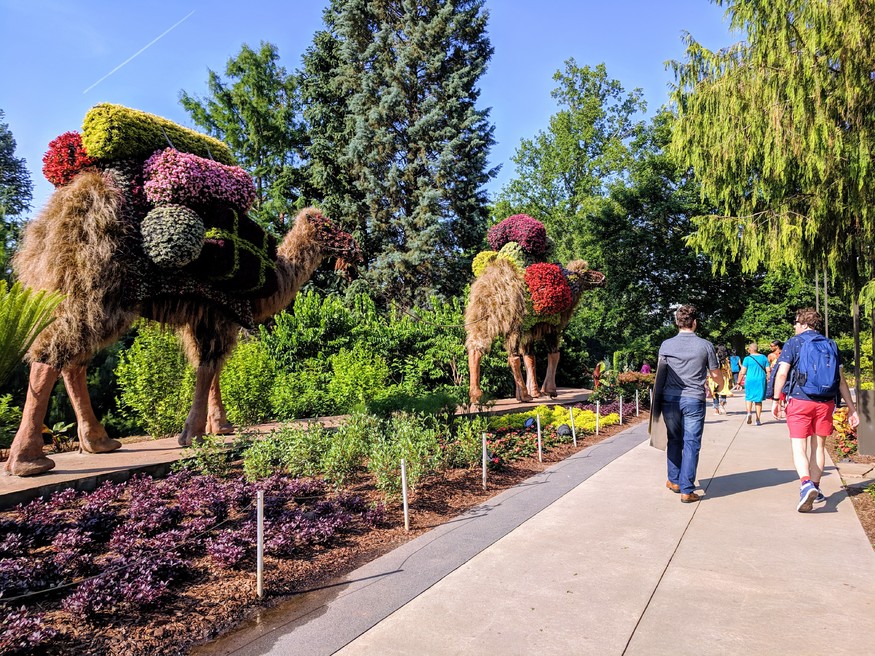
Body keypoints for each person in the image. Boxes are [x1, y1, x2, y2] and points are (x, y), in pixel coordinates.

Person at [771, 308, 859, 512]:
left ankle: (805, 484)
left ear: (803, 324)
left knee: (798, 446)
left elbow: (782, 373)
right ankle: (816, 488)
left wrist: (776, 399)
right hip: (825, 402)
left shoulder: (794, 342)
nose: (794, 326)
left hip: (800, 400)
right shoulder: (831, 344)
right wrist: (852, 409)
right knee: (818, 447)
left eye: (795, 322)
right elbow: (841, 381)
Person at [657, 305, 723, 503]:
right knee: (691, 443)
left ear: (677, 322)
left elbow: (661, 373)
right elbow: (715, 373)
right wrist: (718, 387)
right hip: (694, 398)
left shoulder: (666, 345)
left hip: (670, 398)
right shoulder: (705, 345)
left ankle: (674, 480)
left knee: (674, 439)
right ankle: (687, 489)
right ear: (694, 323)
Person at [737, 343, 770, 425]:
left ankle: (749, 413)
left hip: (750, 380)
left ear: (750, 349)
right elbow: (768, 370)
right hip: (760, 380)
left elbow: (743, 372)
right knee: (758, 400)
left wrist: (738, 382)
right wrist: (769, 379)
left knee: (749, 398)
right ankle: (758, 420)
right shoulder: (763, 357)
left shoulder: (747, 359)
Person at [708, 344, 733, 415]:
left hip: (715, 377)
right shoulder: (726, 359)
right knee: (723, 392)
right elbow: (729, 369)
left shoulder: (714, 357)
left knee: (715, 393)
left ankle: (716, 410)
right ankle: (722, 405)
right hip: (724, 377)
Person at [766, 340, 784, 414]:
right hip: (778, 375)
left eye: (772, 346)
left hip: (778, 375)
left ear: (777, 346)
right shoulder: (772, 355)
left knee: (779, 392)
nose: (770, 347)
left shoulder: (773, 355)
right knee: (779, 392)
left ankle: (779, 409)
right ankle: (779, 409)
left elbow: (769, 367)